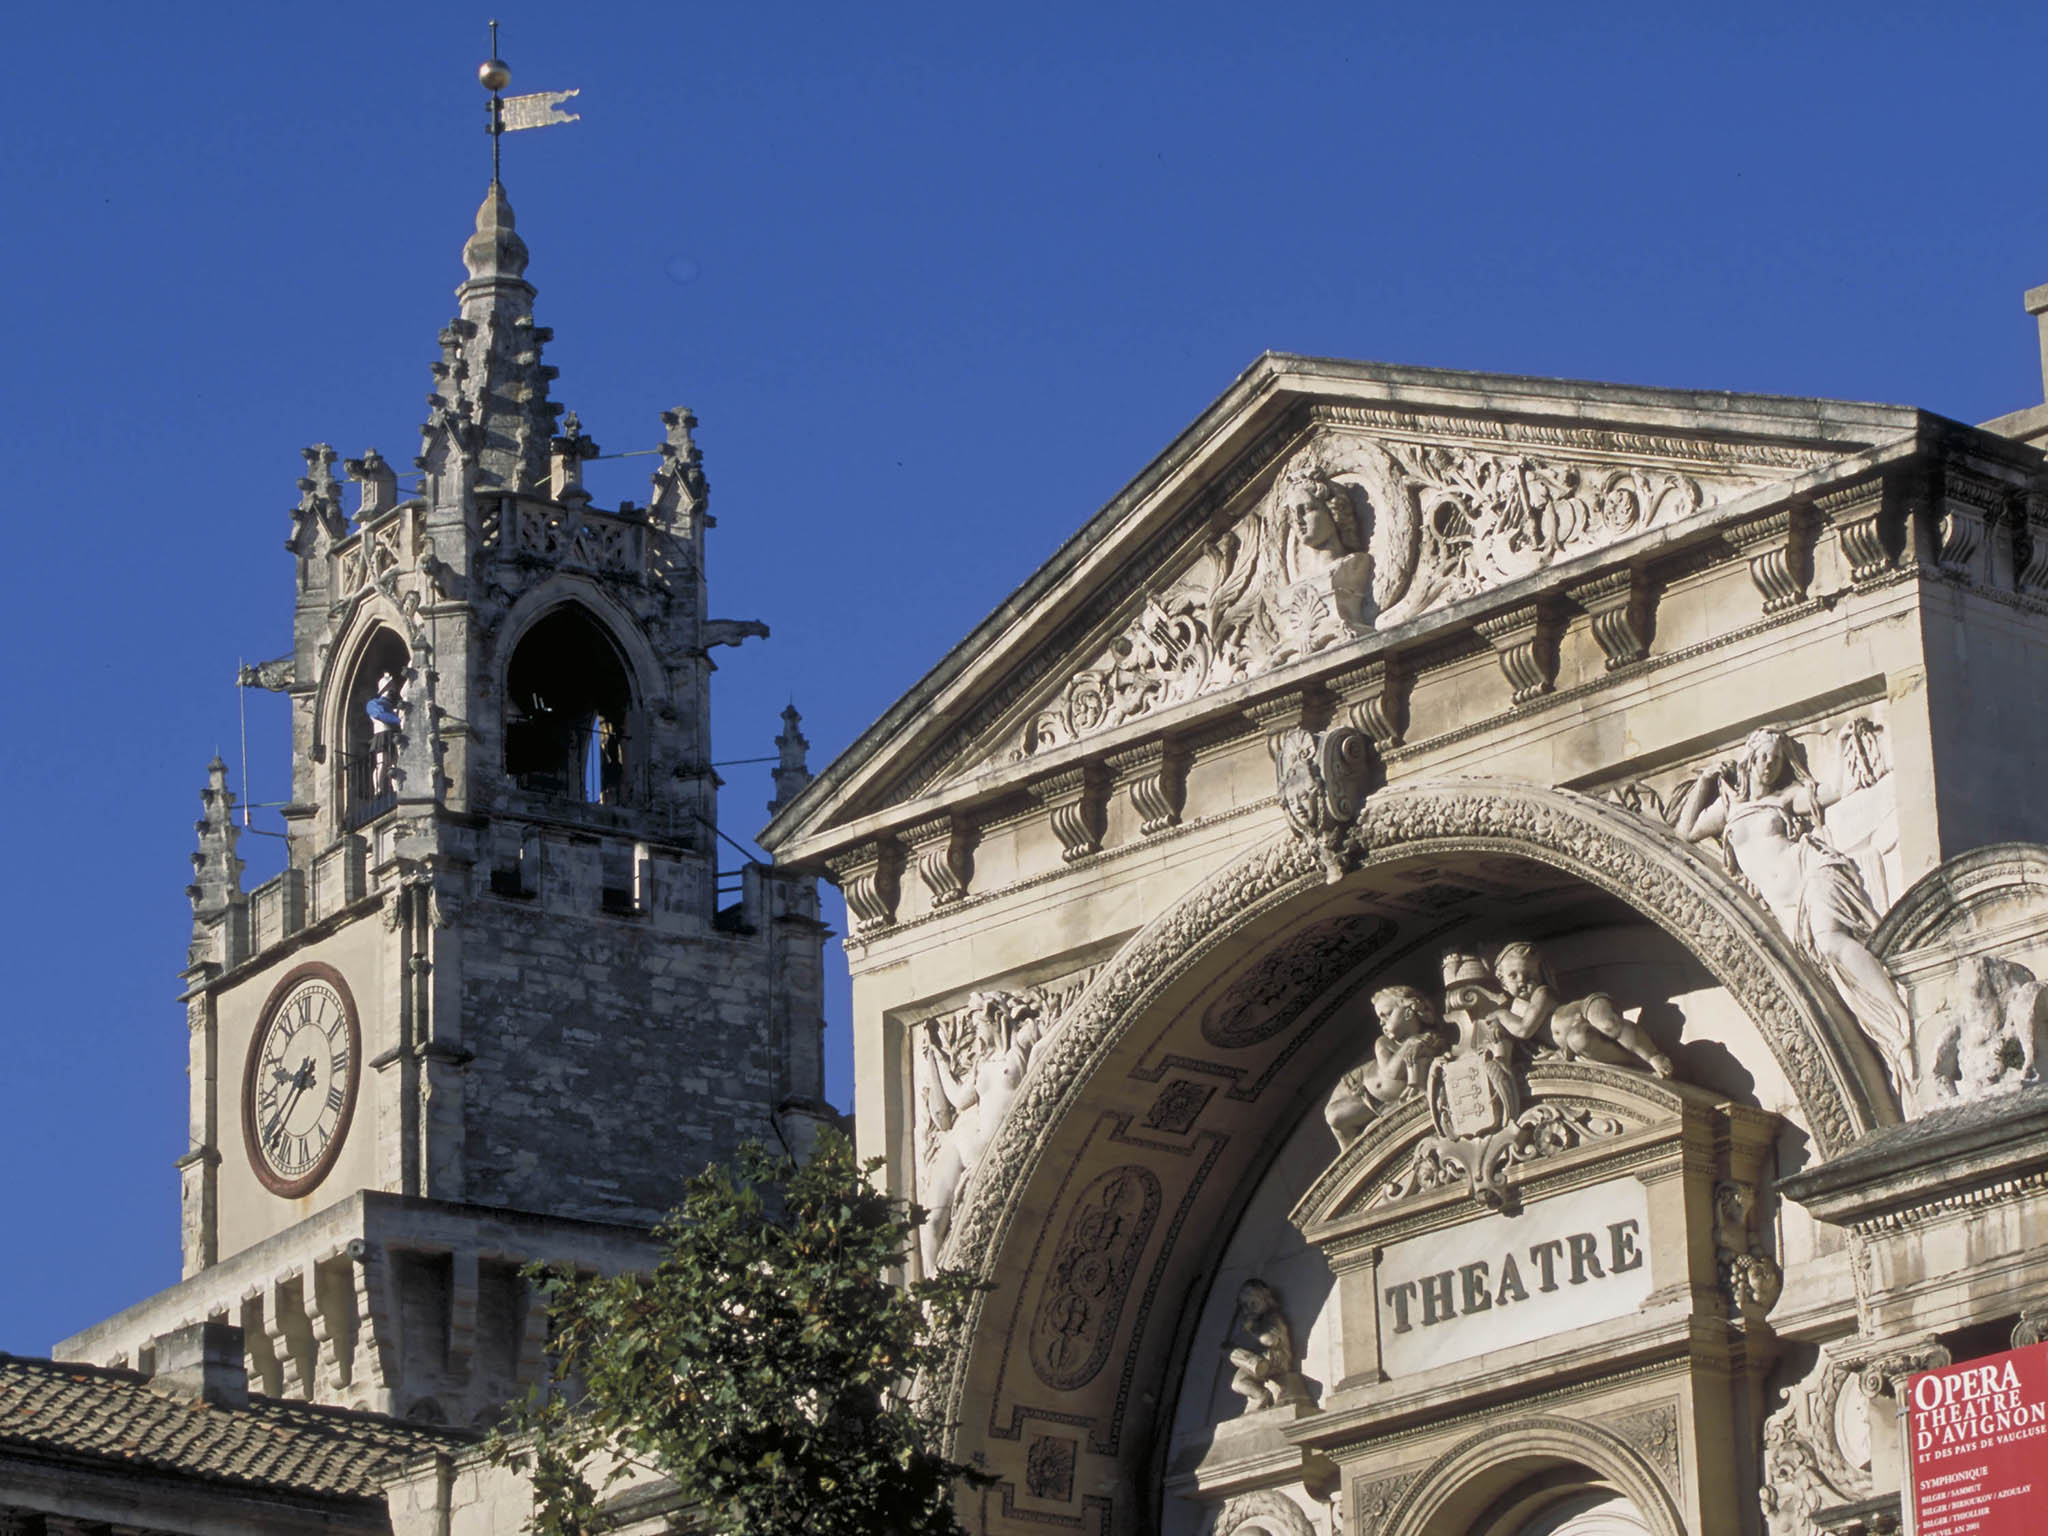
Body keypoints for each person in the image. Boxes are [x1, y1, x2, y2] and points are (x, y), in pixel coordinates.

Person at [1674, 726, 1913, 1088]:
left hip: (1812, 872)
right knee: (1828, 979)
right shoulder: (1728, 807)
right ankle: (1888, 1032)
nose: (1770, 764)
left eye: (1777, 758)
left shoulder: (1784, 799)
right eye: (1765, 756)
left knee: (1832, 942)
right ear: (1750, 759)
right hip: (1784, 912)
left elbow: (1833, 791)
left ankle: (1902, 1017)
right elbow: (1684, 832)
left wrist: (1853, 750)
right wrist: (1705, 781)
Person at [1487, 942, 1673, 1077]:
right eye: (1513, 975)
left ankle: (1652, 1055)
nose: (1522, 980)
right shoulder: (1515, 1010)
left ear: (1541, 975)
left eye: (1529, 974)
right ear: (1503, 982)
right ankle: (1637, 1063)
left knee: (1609, 1025)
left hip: (1585, 1009)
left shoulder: (1542, 993)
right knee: (1580, 1040)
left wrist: (1500, 1014)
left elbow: (1524, 1030)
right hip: (1572, 1039)